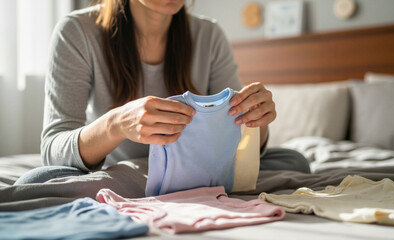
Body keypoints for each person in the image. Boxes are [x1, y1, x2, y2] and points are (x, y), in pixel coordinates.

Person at [15, 0, 310, 185]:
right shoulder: (77, 31)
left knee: (294, 160)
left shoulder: (210, 35)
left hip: (195, 169)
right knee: (38, 179)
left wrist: (257, 120)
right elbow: (53, 148)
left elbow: (241, 138)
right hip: (120, 168)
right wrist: (115, 124)